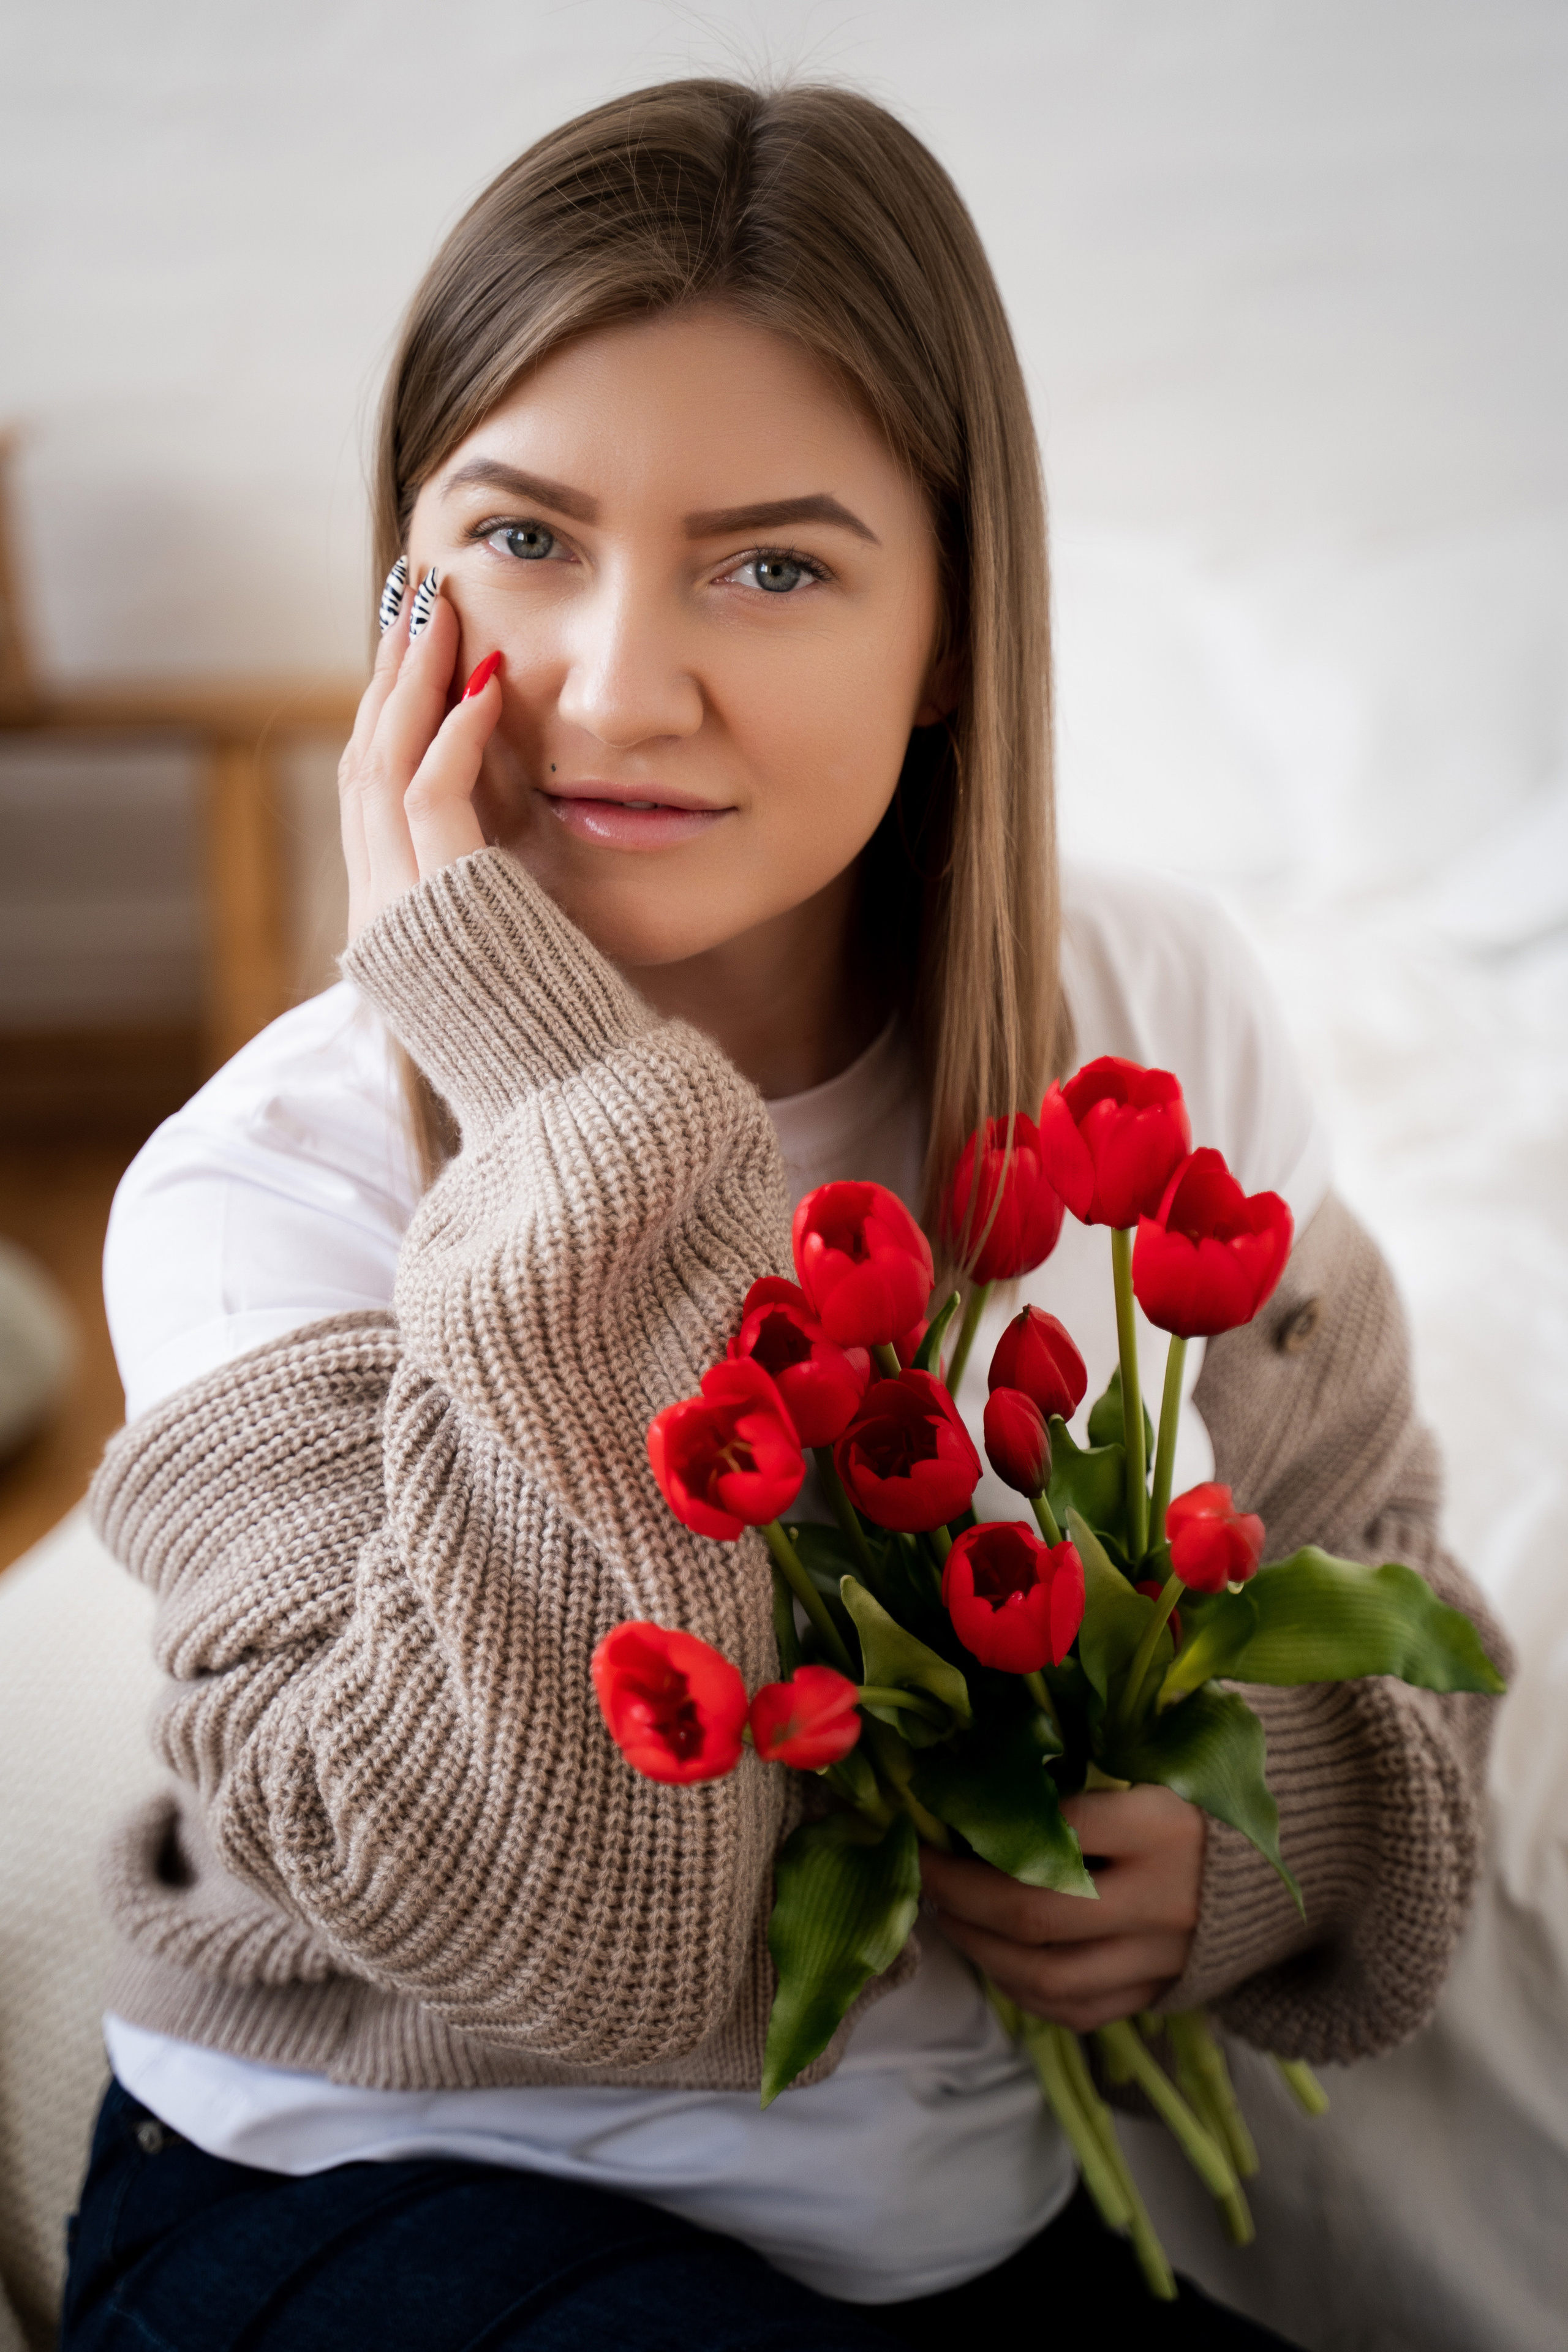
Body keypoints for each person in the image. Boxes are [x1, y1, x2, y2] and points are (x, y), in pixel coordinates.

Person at [61, 78, 1506, 2351]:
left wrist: (1239, 1858)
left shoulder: (1151, 1009)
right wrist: (561, 1104)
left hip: (948, 2228)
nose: (621, 687)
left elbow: (1380, 1589)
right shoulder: (265, 1192)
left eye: (775, 565)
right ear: (402, 603)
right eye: (526, 543)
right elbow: (577, 1941)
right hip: (392, 2188)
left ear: (953, 635)